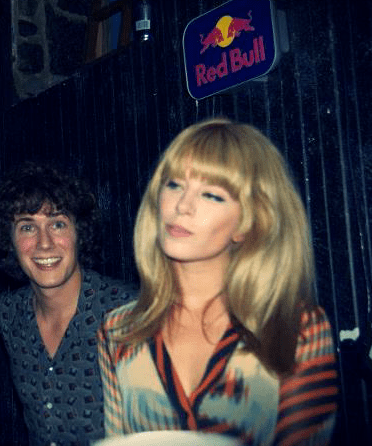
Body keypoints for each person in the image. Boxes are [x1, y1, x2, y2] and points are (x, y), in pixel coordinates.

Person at [98, 119, 339, 445]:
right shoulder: (119, 330)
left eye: (211, 195)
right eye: (174, 185)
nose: (183, 206)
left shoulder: (295, 327)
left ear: (248, 223)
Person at [0, 161, 138, 446]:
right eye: (27, 227)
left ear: (79, 233)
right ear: (10, 240)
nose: (44, 243)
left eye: (57, 224)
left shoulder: (127, 311)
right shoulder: (9, 314)